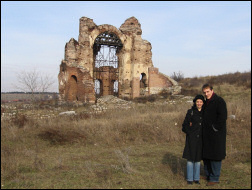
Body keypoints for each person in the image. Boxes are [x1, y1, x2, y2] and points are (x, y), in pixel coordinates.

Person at [201, 84, 227, 186]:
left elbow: (223, 117)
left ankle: (214, 178)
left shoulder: (219, 101)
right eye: (204, 92)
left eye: (208, 91)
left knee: (215, 155)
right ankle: (208, 175)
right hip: (206, 133)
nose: (206, 94)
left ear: (212, 90)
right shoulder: (205, 102)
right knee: (206, 155)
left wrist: (215, 128)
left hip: (216, 134)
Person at [182, 94, 205, 185]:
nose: (199, 103)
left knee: (198, 159)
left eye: (201, 102)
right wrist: (190, 132)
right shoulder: (190, 112)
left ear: (203, 103)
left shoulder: (205, 113)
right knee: (190, 159)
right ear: (195, 103)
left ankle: (196, 178)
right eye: (197, 102)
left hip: (201, 139)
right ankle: (190, 179)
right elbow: (184, 126)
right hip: (191, 139)